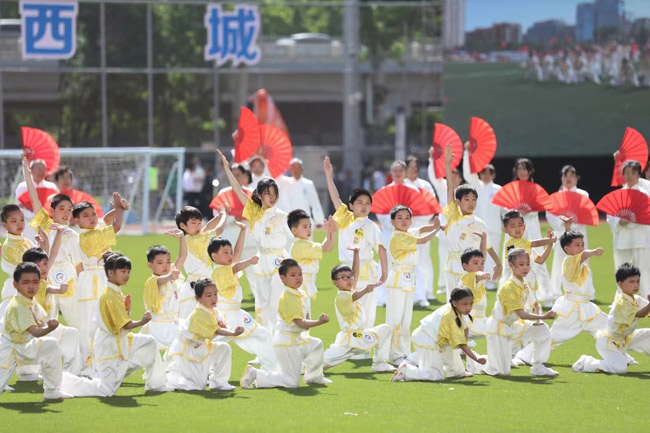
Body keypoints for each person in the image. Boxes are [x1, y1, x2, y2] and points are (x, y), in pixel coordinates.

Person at [60, 253, 169, 396]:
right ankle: (64, 381)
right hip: (109, 346)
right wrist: (143, 321)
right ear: (111, 273)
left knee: (149, 343)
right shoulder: (109, 296)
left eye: (128, 272)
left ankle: (157, 384)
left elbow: (122, 322)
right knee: (105, 390)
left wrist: (127, 309)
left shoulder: (115, 292)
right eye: (123, 271)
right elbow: (123, 326)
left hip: (122, 340)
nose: (127, 275)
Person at [218, 149, 294, 331]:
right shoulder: (254, 212)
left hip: (279, 260)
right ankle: (265, 346)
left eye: (274, 193)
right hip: (261, 260)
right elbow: (237, 190)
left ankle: (279, 338)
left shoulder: (283, 216)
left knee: (277, 300)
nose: (271, 197)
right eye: (267, 193)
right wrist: (227, 169)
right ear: (259, 195)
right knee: (262, 302)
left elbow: (294, 240)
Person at [516, 231, 607, 366]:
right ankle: (525, 356)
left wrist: (568, 227)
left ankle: (618, 355)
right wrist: (593, 251)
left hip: (587, 307)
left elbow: (580, 253)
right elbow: (583, 255)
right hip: (573, 308)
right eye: (577, 245)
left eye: (582, 244)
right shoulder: (570, 260)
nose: (581, 247)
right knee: (555, 337)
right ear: (567, 249)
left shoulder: (577, 259)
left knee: (608, 328)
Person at [240, 259, 331, 389]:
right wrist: (320, 322)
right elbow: (300, 323)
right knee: (291, 382)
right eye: (293, 275)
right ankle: (255, 374)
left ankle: (314, 377)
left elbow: (305, 318)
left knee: (316, 345)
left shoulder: (300, 293)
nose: (298, 278)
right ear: (283, 278)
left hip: (297, 339)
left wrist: (310, 322)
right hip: (286, 342)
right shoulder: (288, 297)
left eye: (300, 274)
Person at [323, 156, 388, 329]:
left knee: (366, 308)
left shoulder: (372, 226)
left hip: (366, 271)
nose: (364, 206)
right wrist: (329, 176)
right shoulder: (345, 218)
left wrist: (384, 273)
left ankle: (364, 342)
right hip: (346, 272)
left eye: (368, 203)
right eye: (359, 202)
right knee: (347, 308)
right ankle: (350, 340)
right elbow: (335, 198)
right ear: (351, 205)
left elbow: (381, 249)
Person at [208, 228, 278, 372]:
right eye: (225, 253)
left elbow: (238, 252)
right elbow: (237, 266)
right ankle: (198, 371)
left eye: (230, 252)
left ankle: (270, 368)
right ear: (214, 256)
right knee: (210, 347)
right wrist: (250, 261)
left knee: (263, 334)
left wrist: (242, 230)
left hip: (237, 314)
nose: (230, 255)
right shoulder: (219, 271)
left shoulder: (227, 266)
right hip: (224, 317)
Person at [0, 263, 74, 400]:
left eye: (35, 282)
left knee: (50, 345)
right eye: (26, 282)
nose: (31, 286)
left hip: (25, 346)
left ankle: (52, 390)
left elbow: (41, 320)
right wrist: (50, 328)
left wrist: (50, 326)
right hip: (9, 349)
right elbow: (35, 331)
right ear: (15, 285)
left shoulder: (30, 300)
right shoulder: (18, 305)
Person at [73, 193, 128, 372]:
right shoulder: (88, 237)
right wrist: (120, 209)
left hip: (100, 280)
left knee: (104, 320)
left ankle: (104, 361)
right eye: (85, 216)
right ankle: (90, 365)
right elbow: (116, 225)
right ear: (76, 220)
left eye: (92, 214)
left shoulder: (93, 231)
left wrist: (117, 209)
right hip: (92, 284)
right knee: (91, 324)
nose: (91, 218)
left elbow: (105, 220)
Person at [23, 159, 81, 327]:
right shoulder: (45, 224)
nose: (66, 213)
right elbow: (34, 201)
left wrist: (82, 283)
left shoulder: (73, 235)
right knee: (48, 322)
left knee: (75, 321)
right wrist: (27, 175)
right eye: (62, 209)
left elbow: (78, 264)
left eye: (70, 210)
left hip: (67, 278)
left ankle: (81, 353)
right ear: (52, 211)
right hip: (45, 278)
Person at [484, 248, 558, 377]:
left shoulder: (523, 283)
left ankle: (538, 367)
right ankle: (476, 362)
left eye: (528, 264)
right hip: (499, 328)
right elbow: (521, 314)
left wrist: (540, 320)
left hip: (514, 325)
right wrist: (543, 316)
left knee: (542, 330)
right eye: (521, 265)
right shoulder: (509, 287)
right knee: (500, 372)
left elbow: (534, 303)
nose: (526, 268)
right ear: (511, 266)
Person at [391, 288, 487, 382]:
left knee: (451, 347)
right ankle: (407, 370)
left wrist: (464, 342)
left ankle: (456, 372)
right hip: (426, 339)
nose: (469, 307)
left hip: (433, 338)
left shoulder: (456, 309)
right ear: (454, 303)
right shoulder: (450, 316)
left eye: (471, 303)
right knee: (436, 375)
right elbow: (462, 345)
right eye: (465, 304)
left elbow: (465, 329)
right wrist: (476, 358)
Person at [442, 146, 500, 302]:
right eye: (466, 199)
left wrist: (498, 263)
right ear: (458, 202)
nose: (471, 203)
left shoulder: (480, 223)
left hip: (471, 269)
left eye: (474, 199)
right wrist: (448, 163)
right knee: (452, 304)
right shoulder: (453, 215)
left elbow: (486, 249)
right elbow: (450, 187)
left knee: (469, 304)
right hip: (453, 267)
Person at [323, 247, 394, 372]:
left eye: (350, 277)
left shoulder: (350, 289)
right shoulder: (341, 297)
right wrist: (365, 290)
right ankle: (306, 368)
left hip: (361, 336)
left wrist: (356, 253)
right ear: (335, 283)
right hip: (348, 340)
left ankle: (380, 363)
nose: (349, 280)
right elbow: (354, 297)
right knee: (322, 363)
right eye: (344, 277)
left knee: (385, 329)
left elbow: (355, 272)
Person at [166, 278, 243, 391]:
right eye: (208, 295)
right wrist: (233, 333)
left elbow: (220, 325)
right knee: (197, 387)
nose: (213, 298)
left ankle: (219, 383)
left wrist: (226, 327)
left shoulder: (213, 310)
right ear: (198, 299)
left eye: (215, 294)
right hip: (189, 351)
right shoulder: (199, 314)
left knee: (224, 348)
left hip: (202, 347)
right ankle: (170, 380)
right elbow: (217, 330)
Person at [385, 205, 440, 363]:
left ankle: (404, 352)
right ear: (392, 222)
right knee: (395, 319)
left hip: (409, 279)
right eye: (399, 218)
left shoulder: (408, 233)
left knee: (406, 320)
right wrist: (436, 229)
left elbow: (421, 230)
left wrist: (432, 225)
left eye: (407, 217)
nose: (404, 221)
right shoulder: (398, 237)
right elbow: (422, 239)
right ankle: (392, 353)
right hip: (398, 280)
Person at [573, 263, 650, 374]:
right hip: (609, 342)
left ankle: (621, 356)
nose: (636, 285)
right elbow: (640, 314)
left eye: (637, 281)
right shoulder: (621, 302)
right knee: (620, 369)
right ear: (620, 284)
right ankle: (586, 363)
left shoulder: (636, 299)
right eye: (631, 282)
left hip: (626, 338)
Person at [511, 158, 553, 306]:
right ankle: (515, 295)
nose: (522, 172)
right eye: (519, 169)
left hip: (532, 229)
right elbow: (506, 210)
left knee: (539, 261)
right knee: (513, 262)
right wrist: (517, 211)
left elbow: (540, 205)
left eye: (525, 169)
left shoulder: (535, 189)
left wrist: (528, 210)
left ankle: (547, 295)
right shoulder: (512, 189)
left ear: (530, 171)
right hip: (515, 230)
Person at [547, 165, 592, 302]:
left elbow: (585, 214)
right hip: (561, 234)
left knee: (583, 260)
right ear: (561, 178)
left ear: (577, 178)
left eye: (571, 175)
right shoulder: (556, 196)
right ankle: (555, 293)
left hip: (578, 234)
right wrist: (563, 224)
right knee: (558, 263)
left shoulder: (583, 195)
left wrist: (572, 225)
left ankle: (587, 292)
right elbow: (550, 214)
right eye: (565, 175)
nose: (568, 178)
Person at [606, 160, 650, 297]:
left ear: (638, 174)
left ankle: (645, 301)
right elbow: (610, 215)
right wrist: (619, 221)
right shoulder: (618, 194)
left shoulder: (644, 194)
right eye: (627, 173)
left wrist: (631, 222)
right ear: (623, 175)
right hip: (622, 238)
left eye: (633, 173)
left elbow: (646, 216)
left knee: (642, 270)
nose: (630, 176)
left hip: (640, 237)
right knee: (621, 269)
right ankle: (622, 301)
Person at [462, 143, 503, 290]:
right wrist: (467, 153)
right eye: (484, 172)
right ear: (480, 173)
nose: (486, 175)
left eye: (489, 173)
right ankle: (477, 277)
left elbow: (505, 210)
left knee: (493, 254)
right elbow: (467, 174)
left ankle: (492, 280)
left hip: (494, 228)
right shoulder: (476, 187)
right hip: (477, 228)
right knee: (477, 255)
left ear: (493, 175)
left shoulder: (499, 190)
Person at [175, 205, 226, 319]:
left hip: (193, 286)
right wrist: (223, 216)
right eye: (194, 223)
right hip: (200, 286)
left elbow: (206, 227)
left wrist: (218, 216)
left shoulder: (189, 238)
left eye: (199, 222)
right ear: (182, 225)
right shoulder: (199, 239)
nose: (198, 226)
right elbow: (220, 229)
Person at [140, 231, 187, 351]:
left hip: (174, 324)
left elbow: (182, 256)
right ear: (150, 265)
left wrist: (182, 237)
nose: (165, 266)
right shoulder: (153, 281)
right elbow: (160, 281)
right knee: (141, 358)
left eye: (168, 261)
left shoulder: (171, 273)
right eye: (160, 263)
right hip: (158, 327)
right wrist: (171, 276)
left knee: (182, 354)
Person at [499, 211, 556, 307]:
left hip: (529, 281)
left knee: (531, 306)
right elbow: (535, 243)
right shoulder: (511, 244)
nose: (517, 229)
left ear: (524, 227)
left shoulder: (527, 248)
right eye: (512, 226)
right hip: (517, 282)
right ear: (505, 230)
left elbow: (541, 260)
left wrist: (550, 245)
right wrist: (550, 240)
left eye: (520, 225)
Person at [287, 209, 335, 315]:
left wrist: (329, 232)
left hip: (303, 284)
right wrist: (332, 232)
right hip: (299, 286)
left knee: (305, 318)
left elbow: (327, 248)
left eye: (309, 226)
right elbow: (326, 248)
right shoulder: (300, 246)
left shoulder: (304, 244)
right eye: (304, 227)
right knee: (303, 319)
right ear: (294, 230)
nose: (309, 230)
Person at [405, 155, 437, 305]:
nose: (414, 170)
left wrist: (421, 212)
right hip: (406, 227)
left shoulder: (425, 185)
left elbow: (432, 205)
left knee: (424, 259)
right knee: (408, 260)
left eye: (416, 167)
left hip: (422, 224)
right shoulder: (401, 185)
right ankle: (410, 291)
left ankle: (426, 291)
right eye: (411, 167)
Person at [277, 158, 326, 228]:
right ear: (290, 170)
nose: (295, 170)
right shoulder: (284, 182)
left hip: (305, 220)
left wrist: (319, 220)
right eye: (293, 168)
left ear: (302, 169)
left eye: (297, 167)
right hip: (289, 221)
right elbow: (273, 176)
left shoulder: (308, 184)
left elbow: (315, 202)